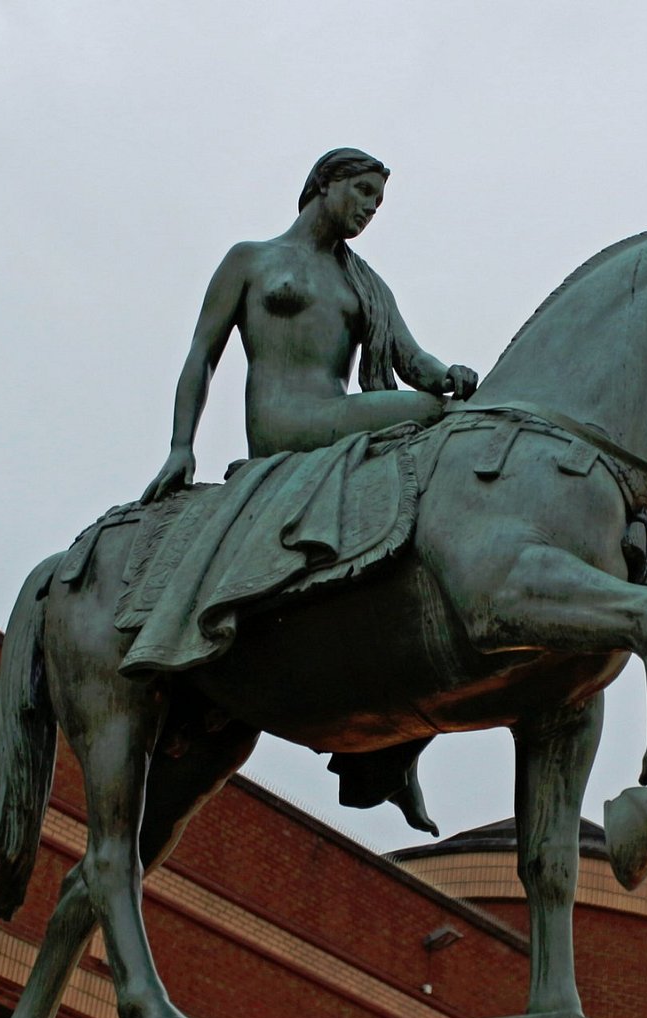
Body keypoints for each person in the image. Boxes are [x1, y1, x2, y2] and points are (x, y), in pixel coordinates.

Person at [141, 149, 478, 834]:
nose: (367, 210)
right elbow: (201, 357)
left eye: (376, 203)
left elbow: (412, 361)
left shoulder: (363, 284)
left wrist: (452, 375)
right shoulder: (252, 260)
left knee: (438, 420)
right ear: (323, 185)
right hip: (286, 424)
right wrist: (182, 446)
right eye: (360, 193)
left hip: (337, 418)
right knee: (432, 423)